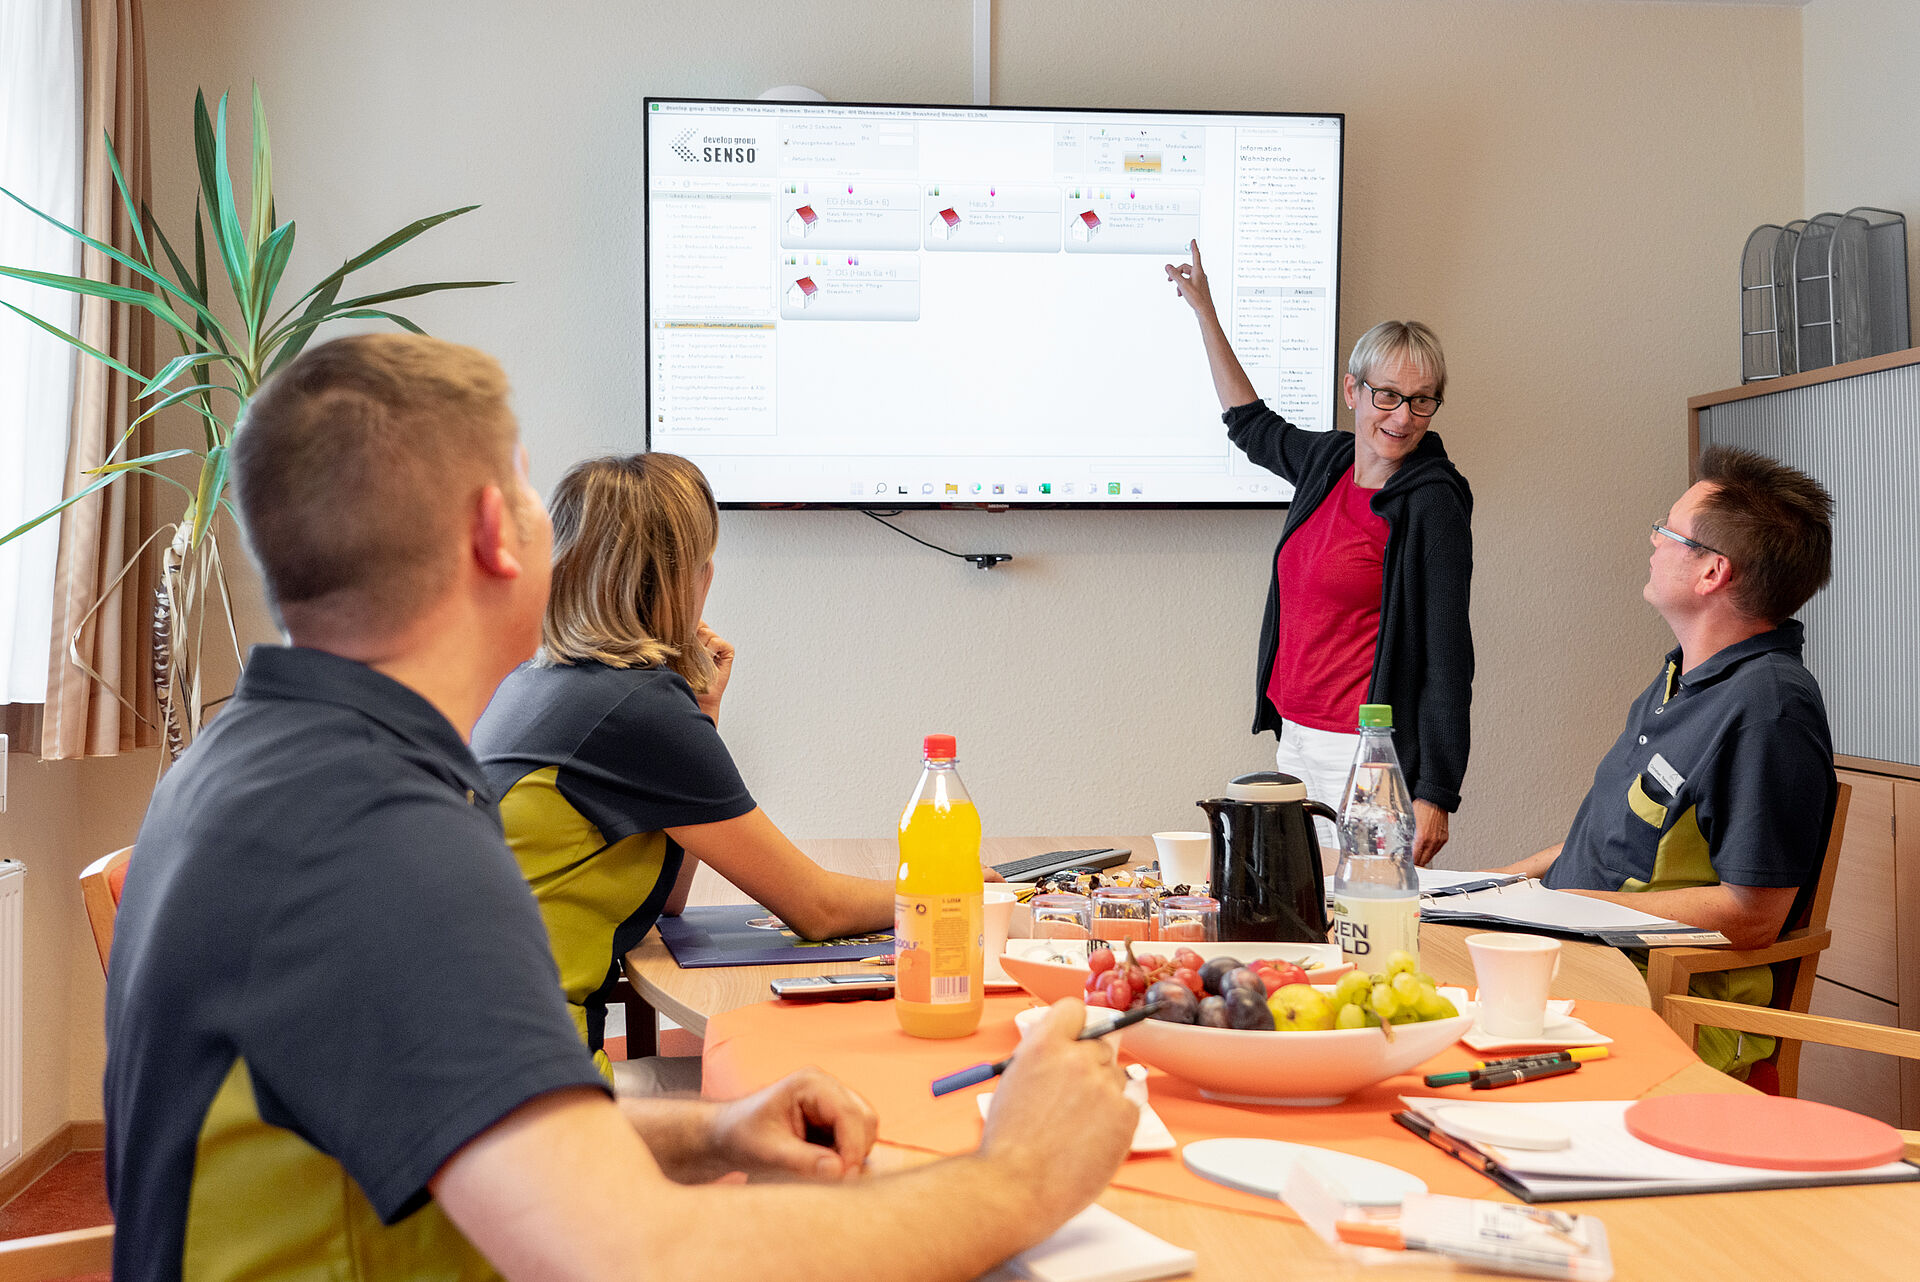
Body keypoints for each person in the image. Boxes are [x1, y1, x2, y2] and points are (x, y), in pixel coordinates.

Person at [101, 334, 1138, 1280]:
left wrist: (714, 1132)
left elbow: (457, 1125)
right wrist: (1021, 1178)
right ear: (491, 534)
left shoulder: (261, 763)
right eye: (522, 479)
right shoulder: (382, 846)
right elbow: (638, 1257)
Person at [469, 452, 970, 1082]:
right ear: (691, 578)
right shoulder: (634, 706)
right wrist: (967, 891)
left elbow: (668, 903)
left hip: (463, 1043)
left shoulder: (543, 681)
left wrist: (701, 711)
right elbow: (817, 909)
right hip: (522, 1072)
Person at [1489, 446, 1836, 1075]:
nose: (1653, 541)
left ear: (1712, 574)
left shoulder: (1769, 710)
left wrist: (1567, 911)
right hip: (1584, 954)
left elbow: (1753, 916)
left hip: (1664, 998)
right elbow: (1613, 853)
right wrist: (1489, 888)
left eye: (1668, 532)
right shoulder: (1682, 677)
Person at [1165, 241, 1473, 864]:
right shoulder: (1328, 462)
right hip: (1299, 737)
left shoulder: (1433, 500)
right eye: (1387, 395)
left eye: (1422, 400)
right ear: (1352, 390)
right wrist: (1205, 314)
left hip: (1367, 751)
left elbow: (1448, 650)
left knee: (1366, 917)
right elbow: (1251, 425)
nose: (1404, 416)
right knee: (1309, 914)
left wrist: (1438, 790)